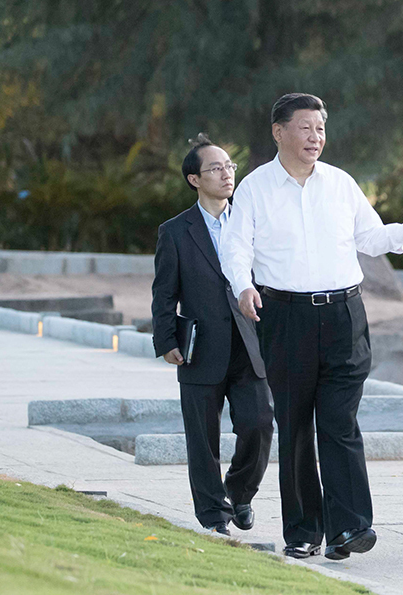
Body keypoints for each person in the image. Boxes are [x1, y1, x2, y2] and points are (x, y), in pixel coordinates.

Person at [220, 93, 403, 561]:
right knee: (296, 425)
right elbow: (235, 247)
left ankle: (349, 527)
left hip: (344, 316)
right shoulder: (255, 188)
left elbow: (371, 238)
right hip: (285, 317)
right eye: (305, 127)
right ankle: (304, 531)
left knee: (340, 421)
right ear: (279, 132)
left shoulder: (340, 183)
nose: (315, 136)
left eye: (320, 128)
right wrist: (243, 286)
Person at [152, 134, 274, 537]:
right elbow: (164, 292)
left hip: (250, 344)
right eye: (216, 168)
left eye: (230, 166)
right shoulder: (175, 231)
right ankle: (213, 514)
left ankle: (239, 492)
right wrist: (166, 340)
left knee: (259, 424)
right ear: (194, 179)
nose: (227, 174)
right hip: (200, 348)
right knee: (202, 439)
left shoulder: (253, 223)